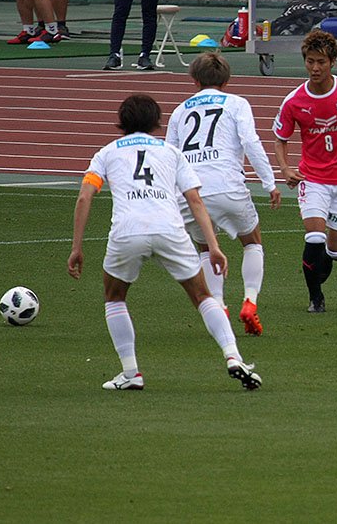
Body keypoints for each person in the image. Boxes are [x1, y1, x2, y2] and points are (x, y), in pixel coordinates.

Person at [67, 94, 262, 391]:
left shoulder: (106, 153)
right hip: (169, 229)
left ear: (121, 122)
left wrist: (77, 248)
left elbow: (84, 197)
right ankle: (233, 356)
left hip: (128, 231)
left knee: (115, 297)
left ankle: (131, 373)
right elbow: (194, 200)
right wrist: (213, 246)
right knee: (203, 296)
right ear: (156, 122)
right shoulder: (171, 152)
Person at [166, 52, 281, 335]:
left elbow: (169, 156)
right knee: (252, 241)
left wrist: (168, 197)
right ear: (227, 81)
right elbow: (251, 142)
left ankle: (218, 305)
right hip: (227, 186)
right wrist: (269, 182)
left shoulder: (180, 111)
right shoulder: (237, 103)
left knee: (207, 247)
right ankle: (250, 302)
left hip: (190, 192)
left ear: (194, 80)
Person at [271, 30, 337, 313]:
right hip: (313, 179)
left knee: (336, 251)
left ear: (332, 62)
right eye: (310, 61)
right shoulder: (294, 100)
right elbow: (280, 138)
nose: (315, 68)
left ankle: (327, 262)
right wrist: (285, 168)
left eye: (321, 62)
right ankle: (315, 297)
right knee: (315, 237)